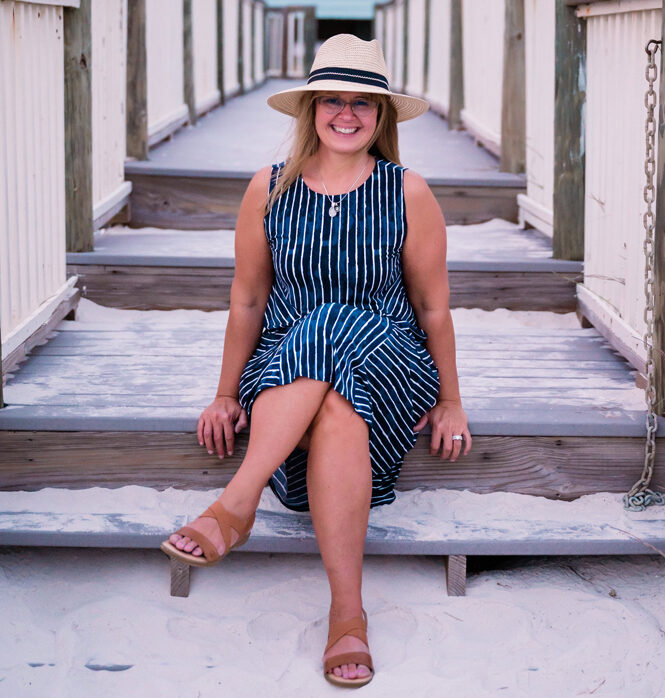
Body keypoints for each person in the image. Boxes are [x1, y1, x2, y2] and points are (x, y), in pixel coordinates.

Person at [161, 34, 472, 688]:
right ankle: (346, 616)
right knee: (330, 398)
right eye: (333, 99)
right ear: (310, 109)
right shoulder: (268, 189)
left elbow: (432, 307)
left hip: (389, 364)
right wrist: (224, 393)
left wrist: (450, 399)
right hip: (284, 374)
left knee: (330, 322)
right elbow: (248, 299)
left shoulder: (406, 191)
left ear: (381, 116)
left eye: (364, 103)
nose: (347, 114)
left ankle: (234, 504)